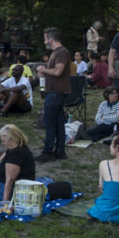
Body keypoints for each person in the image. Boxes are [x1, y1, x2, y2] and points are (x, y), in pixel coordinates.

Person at [36, 27, 71, 162]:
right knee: (58, 123)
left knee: (50, 123)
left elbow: (58, 72)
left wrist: (43, 69)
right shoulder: (57, 53)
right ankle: (60, 152)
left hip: (56, 93)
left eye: (45, 38)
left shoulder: (61, 52)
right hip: (55, 92)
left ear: (50, 39)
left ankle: (48, 152)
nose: (44, 41)